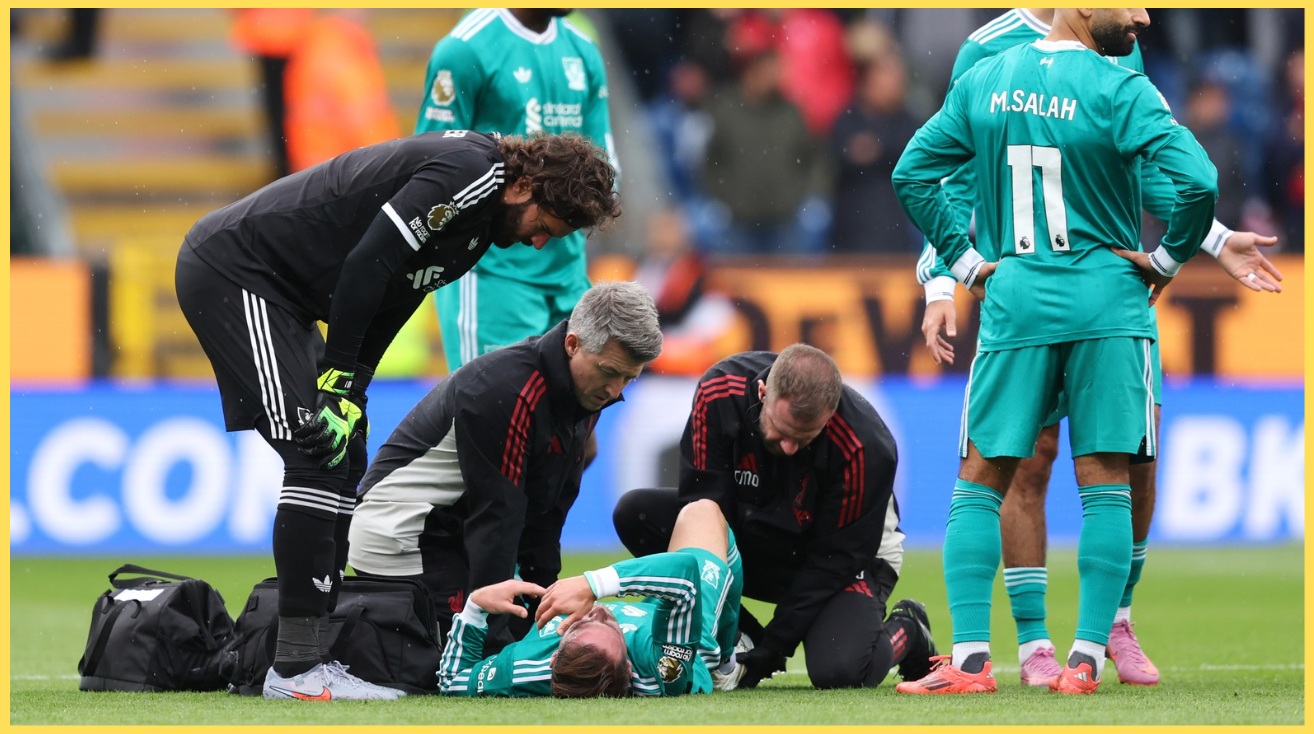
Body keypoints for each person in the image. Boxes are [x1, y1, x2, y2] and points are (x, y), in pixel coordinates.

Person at [912, 7, 1284, 689]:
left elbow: (1122, 165)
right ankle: (1042, 646)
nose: (1144, 15)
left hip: (1022, 289)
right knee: (1055, 464)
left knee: (1108, 462)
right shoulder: (988, 52)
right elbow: (960, 177)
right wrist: (944, 276)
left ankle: (1106, 625)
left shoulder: (1106, 51)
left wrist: (1211, 238)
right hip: (1102, 288)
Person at [175, 131, 620, 701]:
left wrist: (352, 388)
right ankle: (294, 673)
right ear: (525, 186)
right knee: (317, 452)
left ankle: (313, 657)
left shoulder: (478, 229)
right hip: (238, 272)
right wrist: (335, 380)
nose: (537, 244)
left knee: (346, 448)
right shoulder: (472, 172)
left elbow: (393, 297)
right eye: (544, 226)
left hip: (285, 298)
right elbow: (368, 263)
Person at [347, 281, 663, 658]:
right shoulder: (506, 388)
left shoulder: (583, 391)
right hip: (402, 534)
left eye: (629, 378)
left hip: (453, 534)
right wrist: (497, 642)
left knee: (533, 643)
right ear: (573, 344)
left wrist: (543, 612)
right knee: (458, 664)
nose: (615, 391)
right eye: (609, 371)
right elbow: (497, 517)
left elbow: (546, 518)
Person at [613, 344, 938, 690]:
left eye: (804, 438)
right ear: (763, 392)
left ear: (828, 417)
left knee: (841, 672)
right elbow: (703, 512)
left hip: (844, 561)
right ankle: (742, 634)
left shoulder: (864, 446)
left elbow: (834, 560)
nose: (789, 448)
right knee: (637, 514)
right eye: (781, 431)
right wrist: (727, 628)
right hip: (761, 535)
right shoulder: (719, 393)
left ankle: (909, 628)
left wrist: (774, 648)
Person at [414, 8, 617, 369]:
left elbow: (602, 173)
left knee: (576, 421)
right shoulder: (465, 50)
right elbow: (431, 173)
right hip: (492, 274)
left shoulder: (584, 52)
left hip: (567, 275)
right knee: (496, 413)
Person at [438, 499, 742, 697]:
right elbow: (682, 574)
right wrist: (594, 584)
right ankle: (727, 660)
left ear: (555, 658)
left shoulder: (524, 668)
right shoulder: (662, 672)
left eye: (576, 626)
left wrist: (475, 608)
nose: (597, 612)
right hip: (676, 630)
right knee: (702, 512)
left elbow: (451, 682)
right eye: (610, 627)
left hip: (647, 622)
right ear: (629, 669)